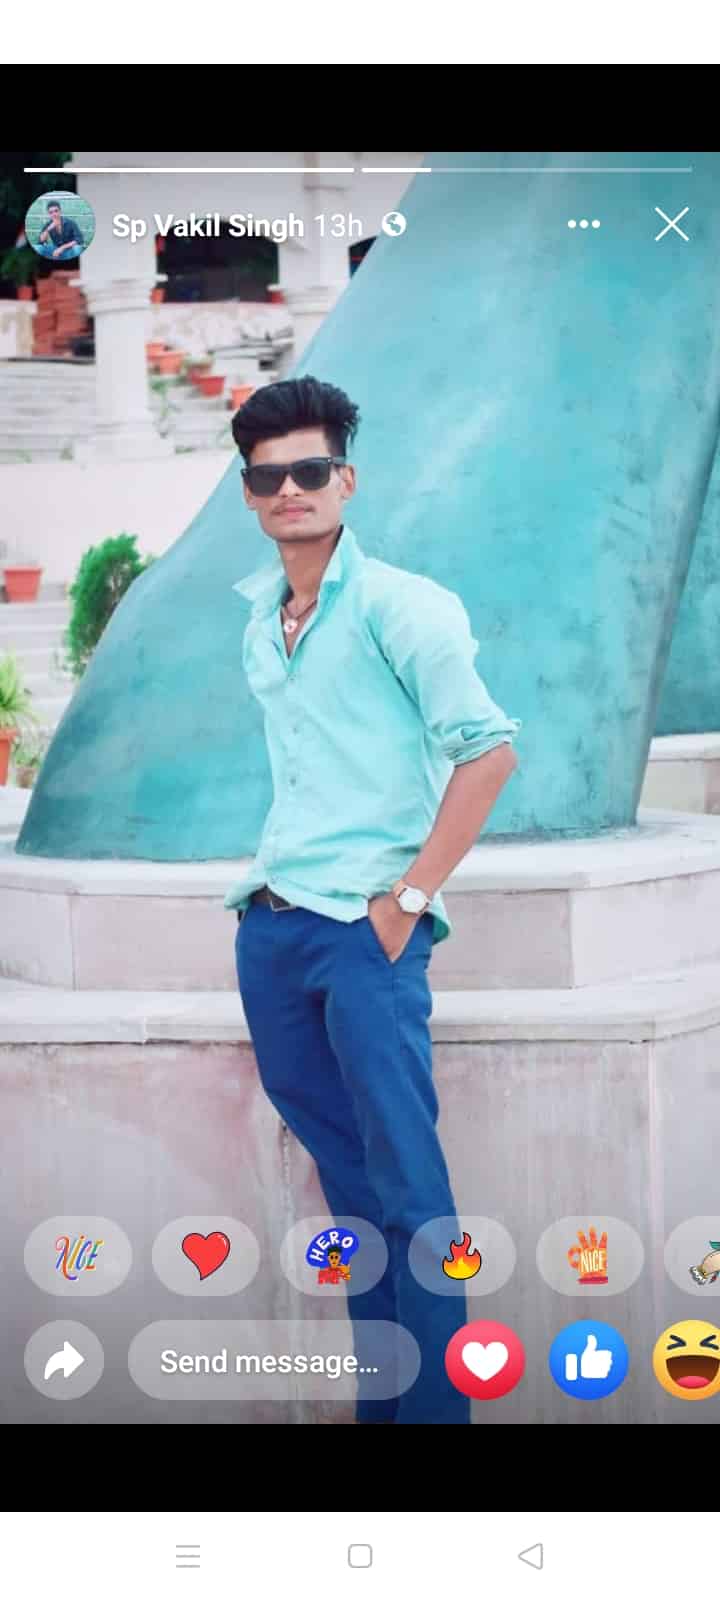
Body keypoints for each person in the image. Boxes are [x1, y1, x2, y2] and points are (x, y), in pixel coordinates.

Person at [225, 376, 521, 1425]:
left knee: (408, 1191)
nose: (290, 489)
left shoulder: (405, 606)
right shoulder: (263, 619)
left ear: (345, 480)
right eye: (269, 476)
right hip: (273, 929)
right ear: (249, 493)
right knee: (351, 1193)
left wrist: (406, 898)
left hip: (364, 932)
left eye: (310, 469)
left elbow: (488, 752)